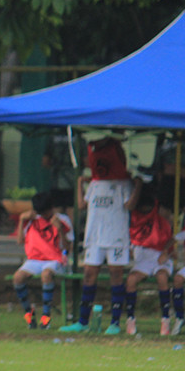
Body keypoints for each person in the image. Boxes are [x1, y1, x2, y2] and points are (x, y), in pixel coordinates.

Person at [60, 137, 142, 335]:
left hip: (116, 237)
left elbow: (130, 205)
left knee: (115, 276)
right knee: (89, 275)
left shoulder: (123, 183)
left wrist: (138, 184)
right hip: (95, 236)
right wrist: (80, 182)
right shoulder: (95, 184)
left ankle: (114, 323)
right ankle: (82, 321)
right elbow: (81, 205)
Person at [13, 192, 70, 330]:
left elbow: (68, 247)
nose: (43, 216)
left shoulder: (62, 220)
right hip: (34, 259)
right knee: (18, 278)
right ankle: (29, 315)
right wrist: (21, 220)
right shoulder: (31, 220)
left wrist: (60, 229)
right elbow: (20, 241)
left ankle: (46, 317)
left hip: (54, 259)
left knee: (46, 275)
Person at [124, 189, 174, 336]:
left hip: (160, 257)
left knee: (161, 277)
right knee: (131, 280)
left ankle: (165, 319)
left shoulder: (163, 222)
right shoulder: (134, 221)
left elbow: (172, 243)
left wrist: (166, 252)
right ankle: (130, 319)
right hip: (144, 258)